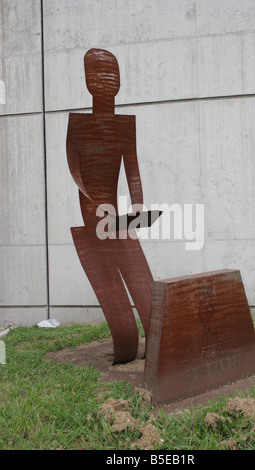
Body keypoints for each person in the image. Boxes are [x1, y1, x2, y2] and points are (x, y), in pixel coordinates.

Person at [66, 49, 153, 364]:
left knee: (142, 283)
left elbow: (133, 168)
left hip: (115, 217)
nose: (106, 79)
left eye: (112, 72)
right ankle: (125, 340)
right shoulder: (78, 123)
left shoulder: (124, 125)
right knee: (108, 272)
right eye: (99, 72)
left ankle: (151, 338)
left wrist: (140, 207)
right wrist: (93, 205)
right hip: (94, 215)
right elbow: (74, 169)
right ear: (89, 80)